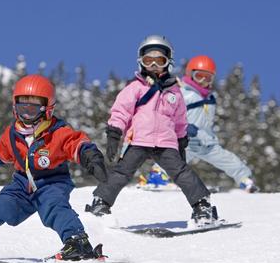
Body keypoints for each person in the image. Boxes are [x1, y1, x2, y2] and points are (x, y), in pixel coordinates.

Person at [0, 74, 109, 263]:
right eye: (23, 108)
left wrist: (91, 157)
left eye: (33, 108)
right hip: (22, 184)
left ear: (47, 108)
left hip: (52, 181)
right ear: (15, 107)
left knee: (53, 206)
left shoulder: (58, 131)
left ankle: (78, 243)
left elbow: (76, 144)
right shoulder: (13, 134)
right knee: (0, 208)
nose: (27, 115)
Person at [86, 35, 217, 225]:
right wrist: (115, 133)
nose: (154, 65)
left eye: (159, 60)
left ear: (168, 63)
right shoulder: (135, 88)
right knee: (121, 172)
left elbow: (180, 120)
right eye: (149, 60)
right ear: (141, 63)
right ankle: (100, 202)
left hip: (166, 143)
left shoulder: (174, 92)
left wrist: (181, 141)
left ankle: (202, 206)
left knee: (182, 173)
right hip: (140, 140)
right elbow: (121, 111)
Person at [180, 55, 259, 193]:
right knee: (174, 160)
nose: (204, 81)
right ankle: (158, 177)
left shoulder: (210, 97)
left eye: (208, 77)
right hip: (186, 140)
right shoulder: (182, 94)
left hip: (205, 141)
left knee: (227, 158)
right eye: (200, 76)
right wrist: (185, 127)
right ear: (190, 74)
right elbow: (170, 114)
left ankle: (245, 180)